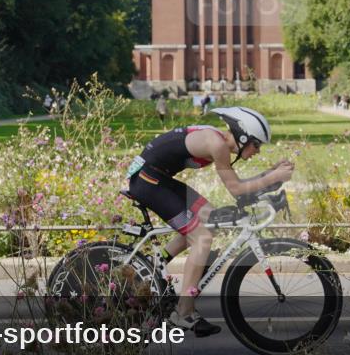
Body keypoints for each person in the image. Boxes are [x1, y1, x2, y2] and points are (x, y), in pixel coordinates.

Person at [124, 107, 293, 336]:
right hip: (149, 181)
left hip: (157, 177)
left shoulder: (218, 141)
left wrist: (269, 175)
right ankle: (183, 312)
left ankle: (156, 265)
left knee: (212, 219)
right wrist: (272, 177)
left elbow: (241, 190)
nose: (258, 151)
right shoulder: (217, 145)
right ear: (243, 136)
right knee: (202, 237)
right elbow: (237, 190)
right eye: (256, 145)